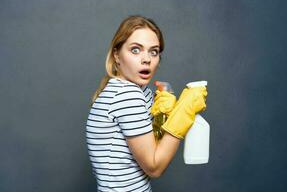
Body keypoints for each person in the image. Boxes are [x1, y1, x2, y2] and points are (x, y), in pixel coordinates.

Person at [86, 15, 207, 192]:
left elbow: (147, 148)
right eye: (135, 50)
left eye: (154, 51)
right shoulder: (127, 95)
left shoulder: (135, 92)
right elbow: (154, 167)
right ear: (116, 55)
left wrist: (161, 118)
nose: (147, 59)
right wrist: (182, 115)